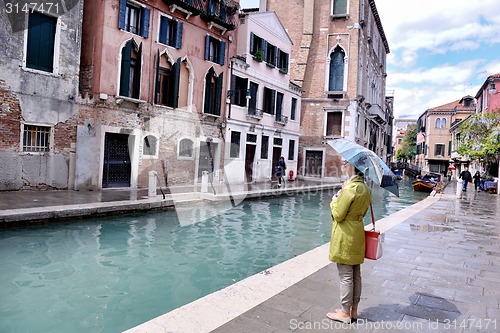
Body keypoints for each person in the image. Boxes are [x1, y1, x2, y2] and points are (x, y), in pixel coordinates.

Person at [327, 168, 372, 323]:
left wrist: (334, 200)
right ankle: (353, 310)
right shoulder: (366, 188)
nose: (343, 166)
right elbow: (363, 212)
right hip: (358, 232)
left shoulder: (350, 189)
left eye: (345, 163)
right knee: (355, 273)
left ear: (352, 167)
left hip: (345, 234)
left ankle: (345, 312)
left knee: (346, 274)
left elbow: (338, 214)